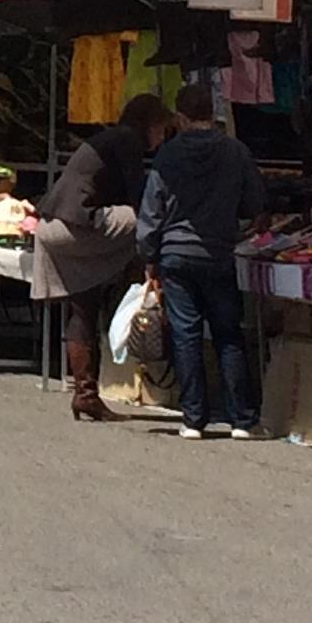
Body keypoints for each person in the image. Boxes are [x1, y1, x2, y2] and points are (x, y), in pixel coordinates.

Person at [136, 81, 269, 440]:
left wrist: (149, 255)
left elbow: (152, 208)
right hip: (218, 251)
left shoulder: (168, 155)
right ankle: (242, 419)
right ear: (213, 112)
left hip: (175, 253)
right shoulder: (236, 151)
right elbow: (254, 201)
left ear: (179, 115)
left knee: (186, 334)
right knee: (228, 333)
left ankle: (194, 418)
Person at [30, 93, 174, 421]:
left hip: (53, 225)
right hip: (78, 223)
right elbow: (139, 199)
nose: (161, 137)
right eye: (161, 129)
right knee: (148, 223)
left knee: (83, 309)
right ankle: (143, 270)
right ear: (149, 124)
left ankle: (85, 394)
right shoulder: (126, 140)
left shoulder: (107, 138)